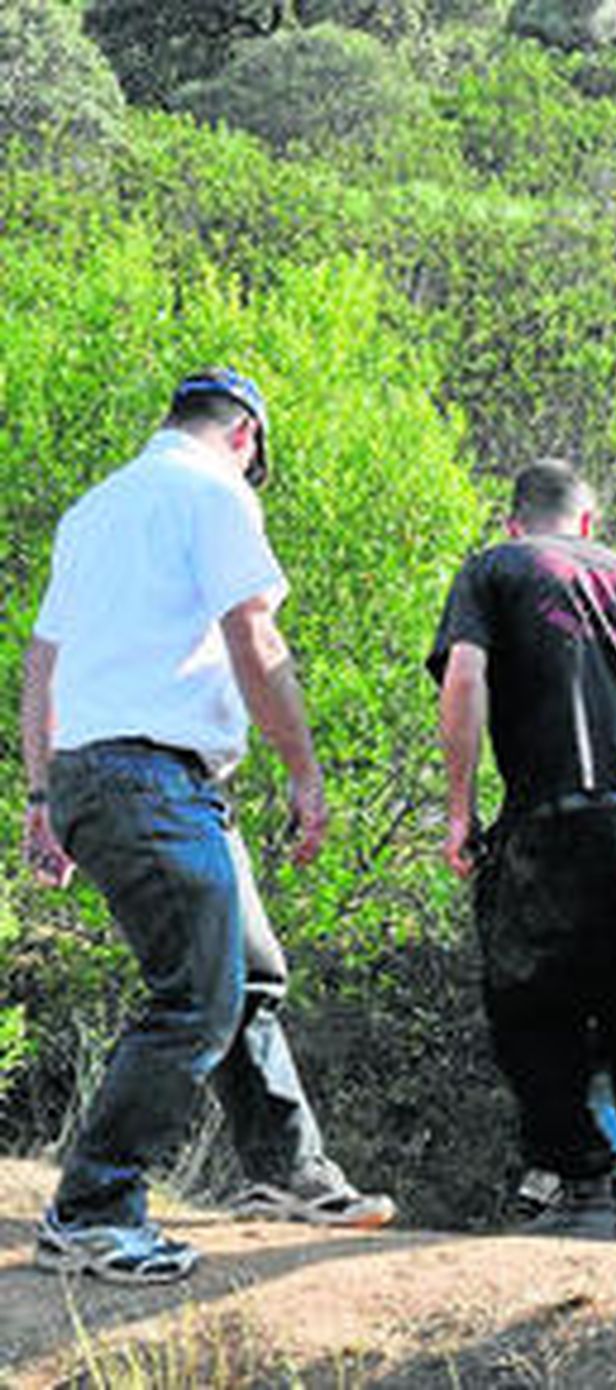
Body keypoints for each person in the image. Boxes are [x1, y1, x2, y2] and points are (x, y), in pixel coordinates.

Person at [19, 367, 393, 1286]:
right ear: (246, 438)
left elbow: (40, 662)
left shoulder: (95, 509)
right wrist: (305, 775)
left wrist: (41, 799)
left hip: (102, 777)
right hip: (153, 777)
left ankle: (287, 1171)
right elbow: (254, 639)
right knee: (194, 995)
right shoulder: (216, 492)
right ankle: (92, 1212)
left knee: (250, 971)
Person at [429, 459, 616, 1242]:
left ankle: (585, 1186)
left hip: (555, 816)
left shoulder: (496, 568)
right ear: (589, 523)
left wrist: (459, 812)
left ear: (514, 522)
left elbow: (464, 678)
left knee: (532, 1006)